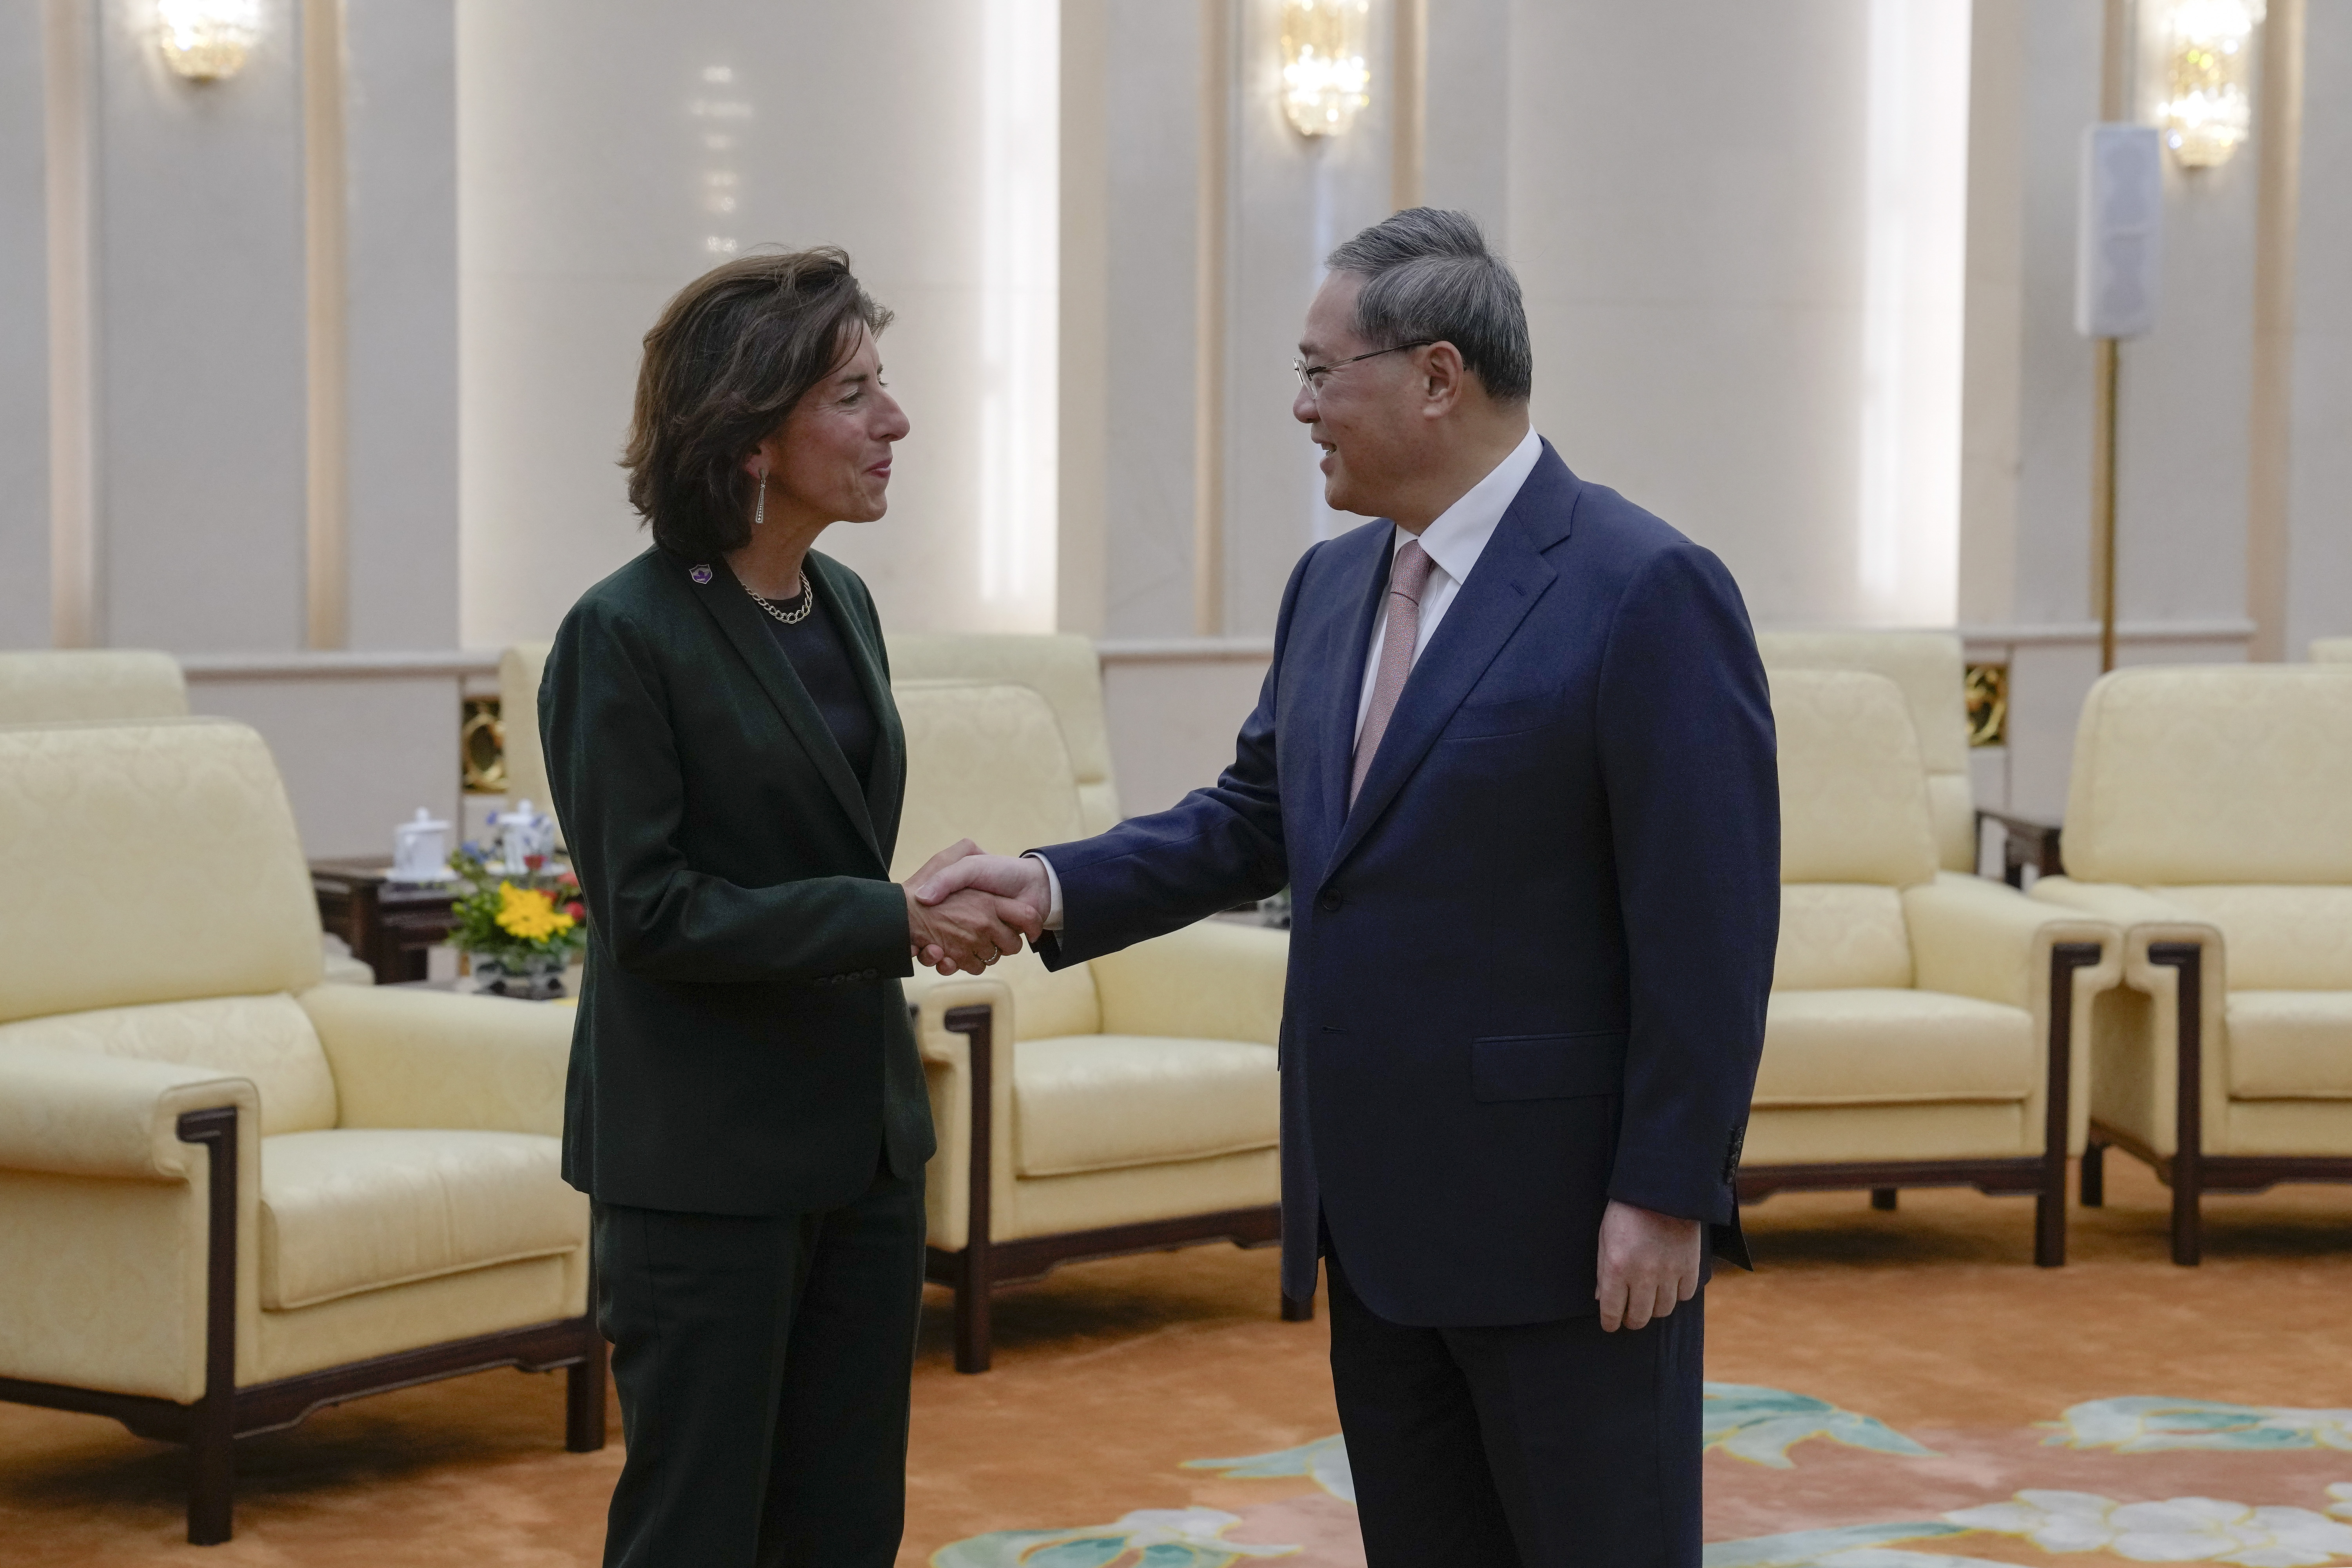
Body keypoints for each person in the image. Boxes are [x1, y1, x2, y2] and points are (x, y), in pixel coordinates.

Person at [914, 209, 1779, 1566]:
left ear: (1439, 377)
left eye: (1324, 373)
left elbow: (1709, 930)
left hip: (1566, 1230)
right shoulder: (1331, 587)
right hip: (1373, 1220)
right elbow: (1256, 816)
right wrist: (1049, 884)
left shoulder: (1643, 587)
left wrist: (1669, 1192)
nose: (1303, 408)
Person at [539, 247, 1043, 1568]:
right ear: (753, 430)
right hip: (702, 1164)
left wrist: (904, 912)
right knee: (697, 1530)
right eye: (857, 392)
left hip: (861, 1148)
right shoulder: (624, 632)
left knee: (842, 1523)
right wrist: (893, 919)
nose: (897, 421)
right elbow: (648, 911)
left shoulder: (847, 606)